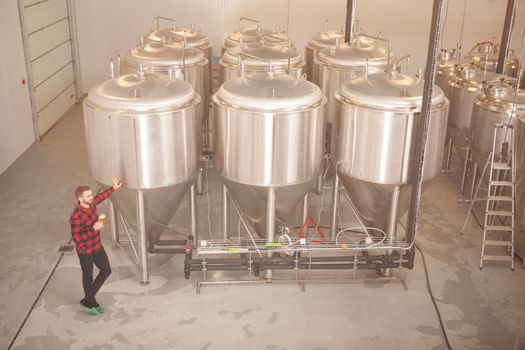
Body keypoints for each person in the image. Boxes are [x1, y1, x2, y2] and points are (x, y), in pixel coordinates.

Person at [70, 176, 122, 315]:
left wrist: (113, 188)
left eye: (91, 194)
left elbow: (100, 197)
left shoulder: (91, 203)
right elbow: (77, 238)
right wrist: (93, 228)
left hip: (97, 246)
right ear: (80, 199)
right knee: (88, 276)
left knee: (106, 270)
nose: (92, 197)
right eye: (88, 196)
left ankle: (87, 299)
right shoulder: (76, 216)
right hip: (85, 251)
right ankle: (90, 302)